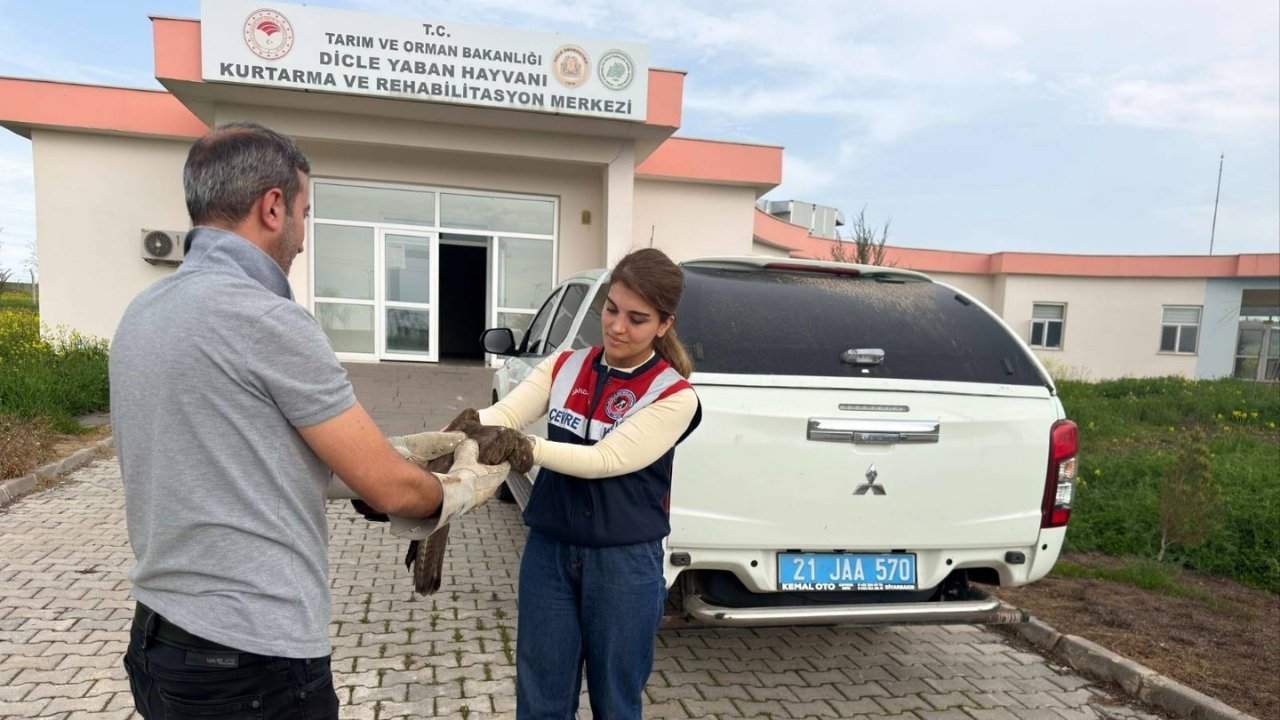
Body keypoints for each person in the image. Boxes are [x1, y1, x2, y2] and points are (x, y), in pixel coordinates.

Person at [109, 122, 508, 718]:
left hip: (160, 644)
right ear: (273, 207)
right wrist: (465, 486)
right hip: (249, 664)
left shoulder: (143, 313)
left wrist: (392, 447)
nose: (302, 235)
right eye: (304, 212)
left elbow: (246, 452)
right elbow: (391, 490)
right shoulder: (266, 320)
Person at [477, 247, 702, 720]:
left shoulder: (675, 396)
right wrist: (461, 430)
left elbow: (606, 459)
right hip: (549, 552)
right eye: (611, 310)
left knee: (616, 706)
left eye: (637, 319)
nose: (617, 326)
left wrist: (525, 449)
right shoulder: (565, 366)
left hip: (624, 564)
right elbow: (506, 414)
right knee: (540, 703)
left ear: (664, 325)